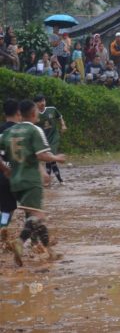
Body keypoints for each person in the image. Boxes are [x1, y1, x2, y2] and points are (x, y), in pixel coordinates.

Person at [0, 99, 67, 266]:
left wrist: (4, 168)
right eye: (37, 111)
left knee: (35, 215)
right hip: (31, 180)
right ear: (32, 113)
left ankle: (48, 251)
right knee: (37, 216)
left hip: (15, 180)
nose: (39, 113)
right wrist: (56, 157)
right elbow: (42, 155)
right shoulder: (35, 130)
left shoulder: (9, 131)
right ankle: (20, 242)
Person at [34, 94, 66, 185]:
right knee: (51, 160)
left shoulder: (52, 109)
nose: (42, 103)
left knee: (50, 157)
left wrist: (63, 125)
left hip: (53, 137)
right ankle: (59, 180)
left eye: (43, 101)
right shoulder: (34, 113)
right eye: (39, 101)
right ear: (35, 103)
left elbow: (60, 117)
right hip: (44, 139)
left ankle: (49, 180)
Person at [0, 99, 20, 247]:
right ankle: (2, 228)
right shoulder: (22, 130)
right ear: (18, 112)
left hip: (1, 172)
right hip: (14, 174)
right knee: (11, 208)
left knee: (5, 207)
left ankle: (2, 227)